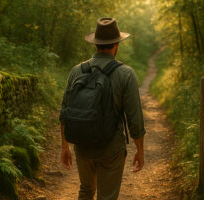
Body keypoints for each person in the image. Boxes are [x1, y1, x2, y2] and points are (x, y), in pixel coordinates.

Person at [59, 17, 145, 200]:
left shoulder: (76, 71)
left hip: (82, 146)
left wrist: (64, 146)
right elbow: (134, 119)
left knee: (86, 190)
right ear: (116, 45)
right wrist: (140, 150)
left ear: (96, 44)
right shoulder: (126, 73)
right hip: (111, 149)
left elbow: (65, 111)